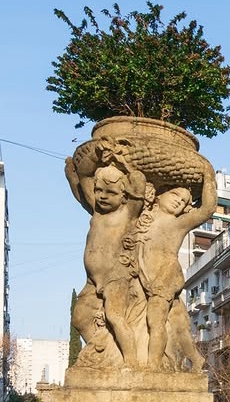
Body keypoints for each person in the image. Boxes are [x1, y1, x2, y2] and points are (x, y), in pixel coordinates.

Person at [136, 161, 217, 370]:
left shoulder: (178, 223)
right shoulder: (144, 217)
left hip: (164, 277)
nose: (178, 202)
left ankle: (153, 366)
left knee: (155, 321)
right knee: (179, 324)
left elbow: (207, 209)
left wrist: (209, 178)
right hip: (146, 276)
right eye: (175, 195)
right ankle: (196, 359)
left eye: (183, 202)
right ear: (160, 194)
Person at [66, 157, 146, 367]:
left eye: (110, 193)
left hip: (115, 276)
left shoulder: (128, 213)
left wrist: (127, 163)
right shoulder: (97, 211)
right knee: (79, 318)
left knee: (115, 316)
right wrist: (72, 174)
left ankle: (131, 361)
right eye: (99, 190)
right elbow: (82, 189)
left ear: (124, 196)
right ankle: (102, 351)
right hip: (93, 279)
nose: (102, 196)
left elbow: (139, 187)